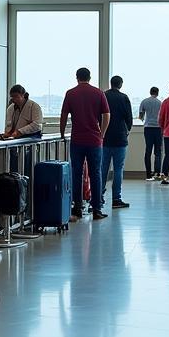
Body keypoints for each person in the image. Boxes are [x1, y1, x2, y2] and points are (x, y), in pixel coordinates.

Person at [60, 67, 110, 222]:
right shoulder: (98, 93)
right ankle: (96, 209)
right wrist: (101, 133)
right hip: (94, 140)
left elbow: (63, 115)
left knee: (77, 173)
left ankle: (77, 208)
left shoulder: (70, 93)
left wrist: (62, 133)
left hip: (77, 140)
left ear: (77, 77)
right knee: (96, 173)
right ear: (90, 77)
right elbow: (107, 115)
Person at [101, 75, 133, 210]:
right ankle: (116, 199)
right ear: (121, 84)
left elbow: (99, 115)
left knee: (102, 168)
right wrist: (127, 131)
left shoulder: (103, 96)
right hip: (120, 138)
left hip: (105, 138)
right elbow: (129, 118)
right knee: (118, 169)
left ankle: (99, 197)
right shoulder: (124, 98)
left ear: (111, 83)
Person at [138, 86, 163, 181]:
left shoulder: (144, 101)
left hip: (148, 128)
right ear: (157, 93)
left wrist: (144, 118)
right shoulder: (160, 102)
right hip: (158, 128)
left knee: (148, 151)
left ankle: (148, 174)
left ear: (150, 92)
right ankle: (157, 173)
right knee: (158, 152)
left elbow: (141, 116)